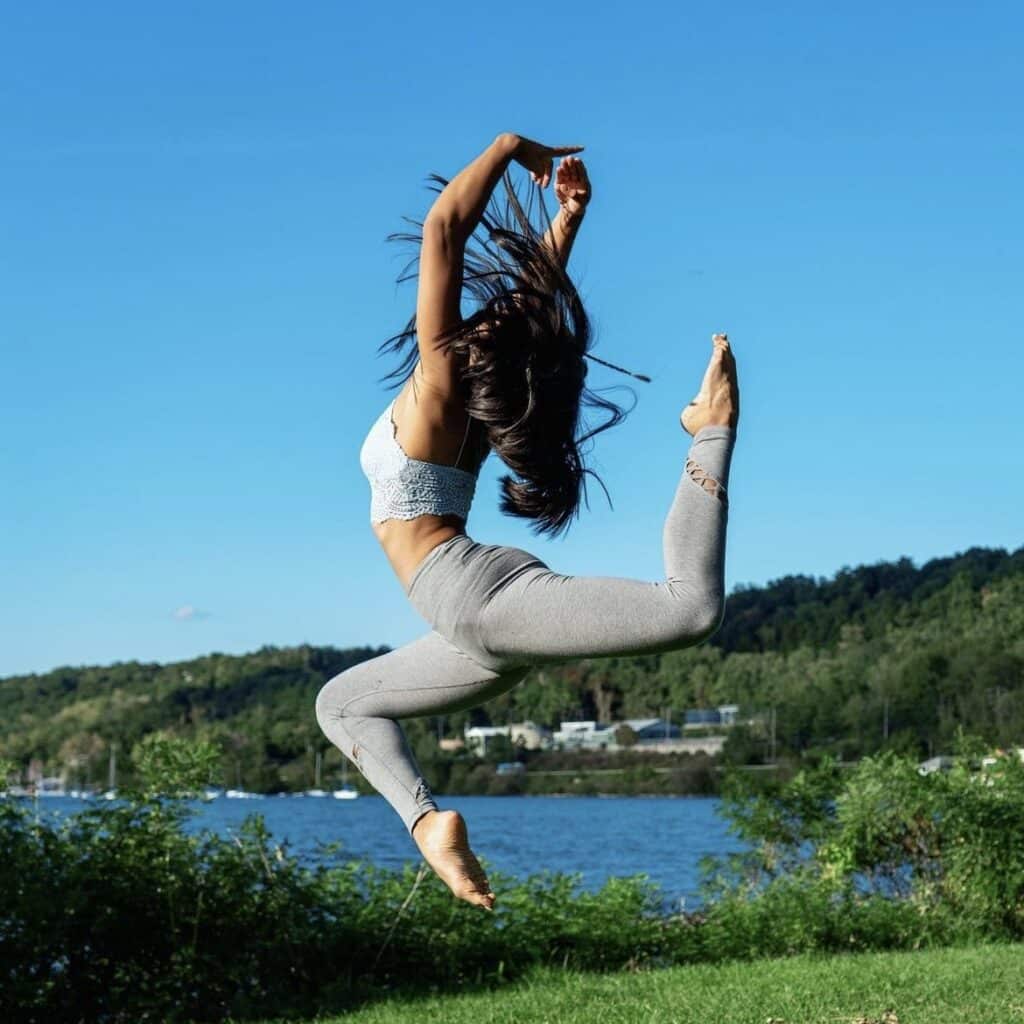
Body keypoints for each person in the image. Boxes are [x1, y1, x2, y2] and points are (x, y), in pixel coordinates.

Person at [315, 132, 739, 911]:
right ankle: (429, 826)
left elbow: (445, 228)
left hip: (478, 602)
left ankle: (710, 429)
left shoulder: (444, 375)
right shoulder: (475, 392)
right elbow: (528, 299)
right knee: (341, 703)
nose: (498, 308)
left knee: (691, 609)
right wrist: (567, 220)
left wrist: (510, 147)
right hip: (468, 619)